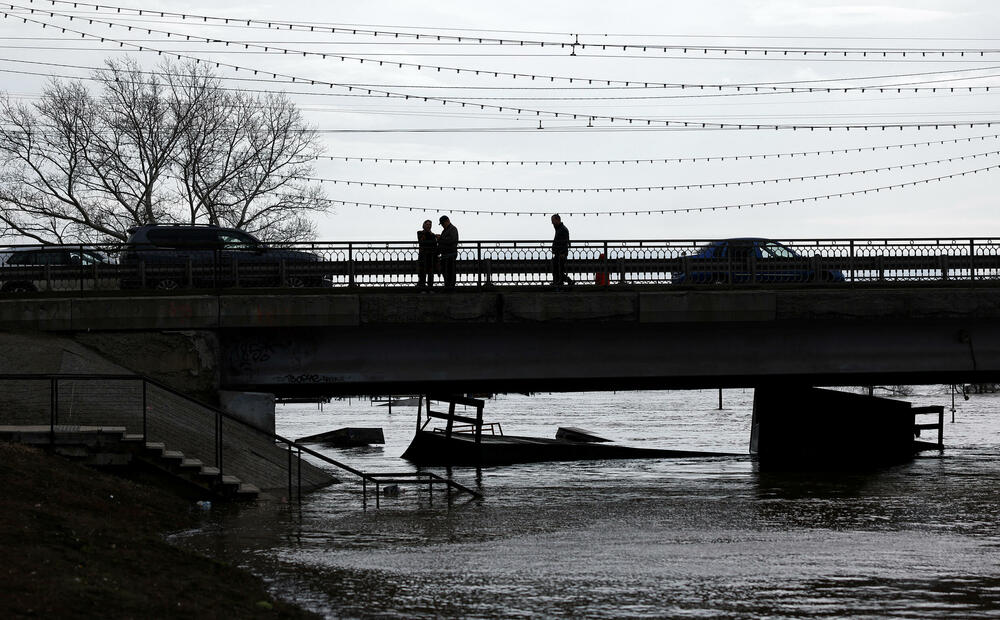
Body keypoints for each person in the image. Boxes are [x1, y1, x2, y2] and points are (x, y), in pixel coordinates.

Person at [550, 214, 574, 287]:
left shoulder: (562, 229)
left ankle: (567, 281)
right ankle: (559, 282)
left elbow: (565, 242)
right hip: (559, 252)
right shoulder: (560, 228)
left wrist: (563, 253)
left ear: (558, 220)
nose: (552, 223)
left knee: (557, 269)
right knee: (557, 269)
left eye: (553, 221)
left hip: (561, 253)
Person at [438, 215, 459, 288]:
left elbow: (451, 240)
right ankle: (447, 286)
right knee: (446, 272)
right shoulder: (446, 230)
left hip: (450, 254)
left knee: (450, 272)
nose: (442, 225)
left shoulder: (453, 229)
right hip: (446, 255)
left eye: (443, 223)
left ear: (447, 221)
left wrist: (440, 238)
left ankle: (450, 287)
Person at [416, 219, 438, 287]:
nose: (429, 226)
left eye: (430, 225)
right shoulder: (420, 233)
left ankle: (430, 288)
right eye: (427, 224)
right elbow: (422, 241)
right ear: (424, 225)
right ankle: (422, 288)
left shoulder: (432, 235)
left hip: (431, 256)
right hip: (423, 256)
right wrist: (433, 235)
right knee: (422, 273)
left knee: (430, 273)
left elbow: (434, 245)